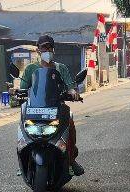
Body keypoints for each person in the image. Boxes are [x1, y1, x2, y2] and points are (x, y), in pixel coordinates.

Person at [20, 35, 84, 176]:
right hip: (36, 108)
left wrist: (73, 91)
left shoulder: (61, 68)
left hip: (57, 108)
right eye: (44, 47)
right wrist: (17, 93)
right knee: (22, 128)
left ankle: (71, 159)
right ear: (38, 50)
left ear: (53, 49)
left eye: (49, 47)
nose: (47, 50)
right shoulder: (31, 69)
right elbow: (23, 87)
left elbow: (70, 86)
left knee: (70, 124)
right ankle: (23, 159)